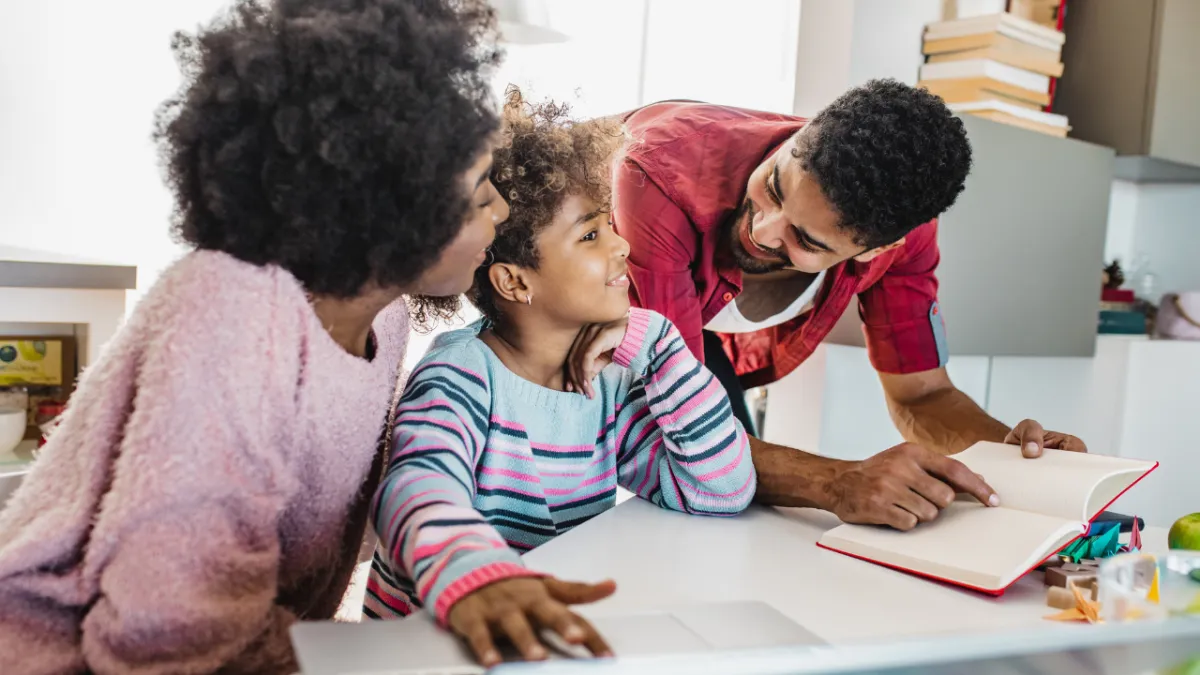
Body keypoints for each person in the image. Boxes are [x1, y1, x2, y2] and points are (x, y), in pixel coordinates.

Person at [0, 1, 508, 673]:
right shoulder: (229, 309)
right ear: (386, 209)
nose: (501, 207)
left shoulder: (380, 319)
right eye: (478, 195)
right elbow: (163, 633)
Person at [364, 90, 756, 667]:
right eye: (591, 236)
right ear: (514, 282)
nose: (623, 246)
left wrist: (658, 342)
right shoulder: (461, 378)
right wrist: (477, 578)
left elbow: (720, 490)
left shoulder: (609, 379)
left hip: (535, 645)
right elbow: (415, 486)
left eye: (611, 227)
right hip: (429, 651)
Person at [606, 79, 1088, 533]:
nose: (763, 230)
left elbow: (922, 396)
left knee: (739, 514)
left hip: (684, 344)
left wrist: (1012, 459)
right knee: (703, 484)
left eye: (804, 239)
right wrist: (836, 482)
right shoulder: (660, 175)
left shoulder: (905, 238)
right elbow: (685, 426)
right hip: (552, 312)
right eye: (774, 186)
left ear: (879, 250)